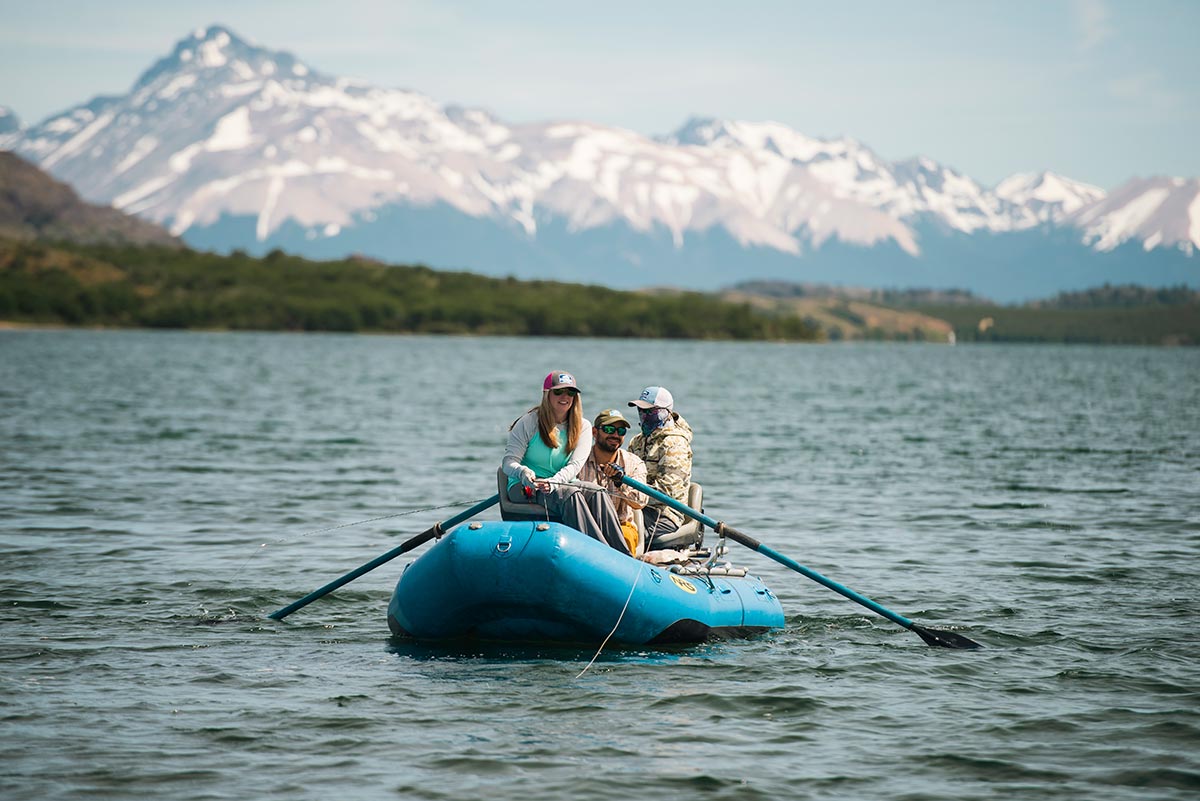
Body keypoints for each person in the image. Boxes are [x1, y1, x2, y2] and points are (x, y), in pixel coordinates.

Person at [501, 371, 629, 554]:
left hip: (560, 483)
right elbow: (508, 462)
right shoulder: (528, 422)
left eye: (570, 393)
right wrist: (523, 473)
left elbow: (575, 465)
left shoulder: (582, 426)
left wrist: (554, 482)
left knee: (598, 492)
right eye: (558, 392)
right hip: (527, 486)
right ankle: (599, 553)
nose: (565, 397)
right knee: (571, 494)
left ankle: (623, 556)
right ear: (547, 394)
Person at [627, 386, 693, 546]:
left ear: (666, 412)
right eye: (641, 410)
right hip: (636, 506)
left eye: (649, 411)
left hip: (664, 514)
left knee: (617, 529)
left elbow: (667, 492)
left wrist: (626, 497)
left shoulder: (674, 443)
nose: (643, 415)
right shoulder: (637, 441)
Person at [578, 409, 649, 557]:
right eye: (609, 429)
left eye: (621, 431)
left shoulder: (634, 463)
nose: (615, 435)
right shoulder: (578, 460)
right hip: (583, 526)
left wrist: (620, 484)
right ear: (594, 432)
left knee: (625, 536)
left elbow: (641, 502)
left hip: (621, 526)